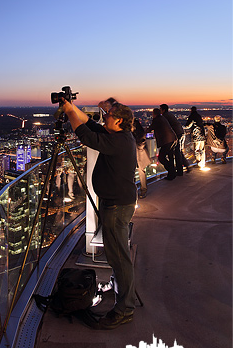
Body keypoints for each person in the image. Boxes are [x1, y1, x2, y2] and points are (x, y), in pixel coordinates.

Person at [61, 97, 139, 329]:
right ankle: (120, 290)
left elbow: (86, 135)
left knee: (119, 258)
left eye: (109, 116)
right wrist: (72, 108)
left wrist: (69, 113)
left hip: (116, 206)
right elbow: (93, 126)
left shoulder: (120, 141)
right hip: (114, 203)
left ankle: (125, 309)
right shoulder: (117, 135)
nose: (105, 117)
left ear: (121, 121)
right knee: (117, 256)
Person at [152, 106, 185, 179]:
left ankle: (172, 171)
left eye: (161, 109)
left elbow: (151, 128)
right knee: (174, 155)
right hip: (174, 137)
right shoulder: (166, 116)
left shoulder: (161, 118)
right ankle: (176, 172)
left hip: (169, 138)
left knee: (163, 157)